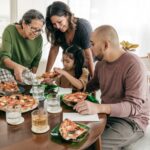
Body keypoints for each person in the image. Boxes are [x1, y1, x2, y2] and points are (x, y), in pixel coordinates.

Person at [74, 25, 150, 149]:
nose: (89, 49)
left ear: (105, 45)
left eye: (92, 44)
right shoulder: (100, 64)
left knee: (90, 145)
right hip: (106, 116)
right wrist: (73, 92)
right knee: (73, 135)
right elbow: (92, 86)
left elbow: (134, 107)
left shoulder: (134, 64)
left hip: (131, 121)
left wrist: (98, 108)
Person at [45, 1, 94, 77]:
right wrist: (47, 73)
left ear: (67, 15)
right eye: (54, 24)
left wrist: (93, 80)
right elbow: (54, 50)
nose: (57, 26)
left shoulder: (83, 27)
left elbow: (88, 56)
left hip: (89, 66)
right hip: (72, 65)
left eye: (59, 22)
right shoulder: (57, 30)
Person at [0, 9, 44, 82]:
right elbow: (4, 57)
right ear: (24, 23)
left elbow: (35, 64)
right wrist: (17, 67)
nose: (36, 33)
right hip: (5, 71)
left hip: (24, 74)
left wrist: (32, 81)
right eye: (33, 28)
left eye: (39, 30)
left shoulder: (39, 39)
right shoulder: (10, 30)